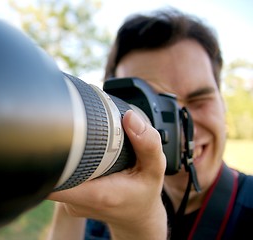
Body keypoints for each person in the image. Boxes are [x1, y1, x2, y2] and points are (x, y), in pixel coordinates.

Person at [46, 8, 253, 240]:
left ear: (222, 102)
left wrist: (138, 225)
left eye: (198, 100)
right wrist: (73, 165)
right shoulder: (101, 204)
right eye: (154, 107)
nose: (185, 128)